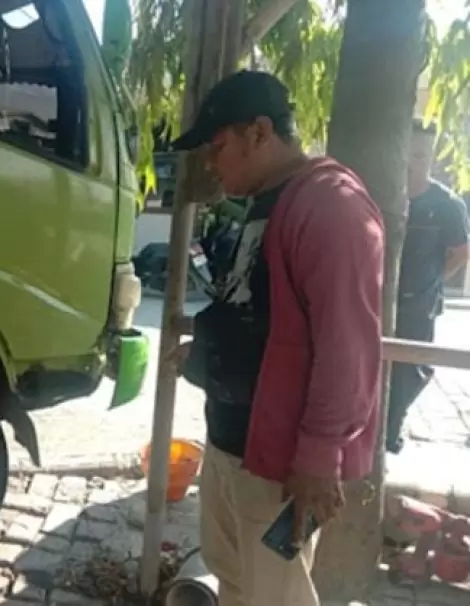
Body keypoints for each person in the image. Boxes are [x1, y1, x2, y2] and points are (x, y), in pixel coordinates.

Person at [174, 70, 384, 606]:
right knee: (236, 579)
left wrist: (319, 456)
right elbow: (257, 313)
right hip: (231, 440)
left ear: (260, 133)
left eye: (218, 147)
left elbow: (348, 346)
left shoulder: (331, 206)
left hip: (279, 458)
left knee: (276, 594)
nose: (211, 164)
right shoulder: (265, 202)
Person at [386, 119, 470, 454]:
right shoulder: (385, 195)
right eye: (409, 153)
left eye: (421, 155)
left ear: (431, 157)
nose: (413, 162)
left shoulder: (447, 205)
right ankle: (381, 431)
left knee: (412, 372)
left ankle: (391, 427)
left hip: (418, 306)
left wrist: (432, 280)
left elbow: (460, 253)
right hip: (378, 299)